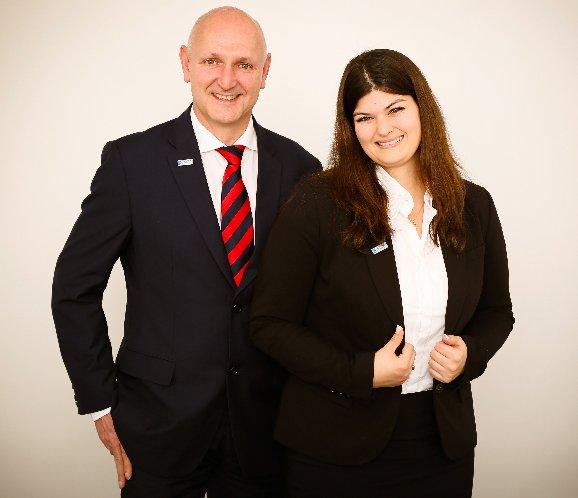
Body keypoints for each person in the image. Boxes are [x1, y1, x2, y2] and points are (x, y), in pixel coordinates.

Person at [51, 6, 321, 497]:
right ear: (185, 63)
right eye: (211, 61)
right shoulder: (132, 163)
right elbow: (74, 288)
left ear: (265, 70)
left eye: (244, 64)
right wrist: (99, 401)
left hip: (267, 428)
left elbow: (316, 297)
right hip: (156, 424)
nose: (227, 80)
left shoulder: (301, 168)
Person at [249, 49, 514, 498]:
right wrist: (361, 372)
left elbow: (497, 311)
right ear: (350, 128)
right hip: (333, 450)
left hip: (441, 445)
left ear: (422, 108)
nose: (383, 129)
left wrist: (471, 354)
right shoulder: (316, 204)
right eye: (365, 117)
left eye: (395, 109)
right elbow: (269, 324)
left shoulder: (474, 206)